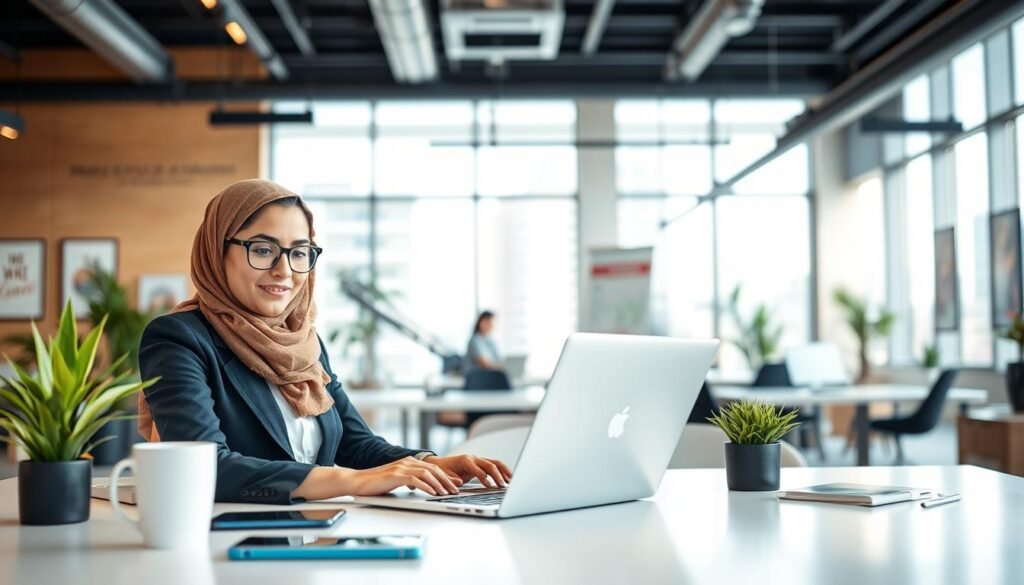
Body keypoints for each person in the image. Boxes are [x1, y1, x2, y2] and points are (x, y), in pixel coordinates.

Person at [138, 179, 511, 504]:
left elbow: (354, 444)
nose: (284, 270)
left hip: (315, 531)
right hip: (230, 543)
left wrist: (430, 463)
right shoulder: (179, 339)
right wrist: (350, 481)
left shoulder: (304, 342)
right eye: (263, 249)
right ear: (217, 251)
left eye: (299, 252)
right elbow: (205, 467)